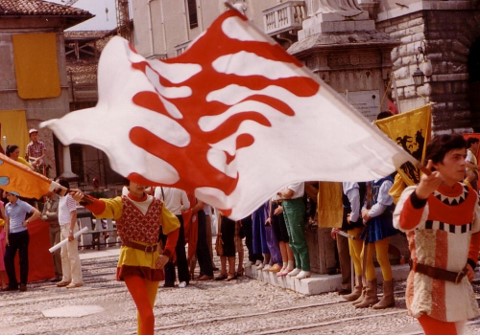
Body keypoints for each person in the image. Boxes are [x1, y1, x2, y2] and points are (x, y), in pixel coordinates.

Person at [393, 134, 480, 335]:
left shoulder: (470, 196)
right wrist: (420, 196)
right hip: (428, 286)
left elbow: (476, 231)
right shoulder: (415, 194)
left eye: (464, 156)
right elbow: (405, 224)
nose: (463, 163)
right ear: (436, 164)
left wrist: (471, 261)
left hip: (458, 287)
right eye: (455, 157)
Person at [72, 180, 180, 335]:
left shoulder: (157, 204)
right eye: (136, 180)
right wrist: (83, 199)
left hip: (153, 261)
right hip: (131, 260)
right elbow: (103, 206)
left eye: (143, 180)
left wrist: (167, 254)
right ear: (128, 184)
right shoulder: (121, 203)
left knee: (145, 312)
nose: (140, 184)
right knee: (147, 315)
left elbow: (174, 227)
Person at [4, 191, 41, 291]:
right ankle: (13, 283)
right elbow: (7, 221)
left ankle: (23, 283)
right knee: (7, 258)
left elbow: (37, 213)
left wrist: (27, 221)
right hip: (12, 234)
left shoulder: (22, 204)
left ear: (14, 195)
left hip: (22, 234)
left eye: (9, 195)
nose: (7, 197)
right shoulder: (7, 206)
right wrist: (6, 236)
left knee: (23, 259)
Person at [153, 186, 190, 288]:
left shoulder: (158, 188)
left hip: (166, 219)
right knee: (180, 249)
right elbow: (187, 205)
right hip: (177, 217)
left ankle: (170, 279)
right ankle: (184, 278)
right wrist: (178, 208)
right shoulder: (179, 187)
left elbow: (156, 206)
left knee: (167, 249)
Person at [335, 182, 365, 301]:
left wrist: (353, 218)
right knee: (355, 255)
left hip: (354, 223)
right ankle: (359, 287)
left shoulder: (350, 180)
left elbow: (355, 198)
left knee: (359, 256)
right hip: (350, 222)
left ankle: (364, 288)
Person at [277, 182, 311, 280]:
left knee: (297, 236)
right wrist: (282, 193)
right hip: (286, 204)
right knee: (291, 237)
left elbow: (288, 193)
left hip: (295, 204)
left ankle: (305, 267)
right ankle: (298, 265)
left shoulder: (296, 178)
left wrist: (280, 193)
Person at [54, 179, 83, 288]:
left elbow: (73, 213)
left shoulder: (69, 197)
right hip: (63, 227)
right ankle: (66, 277)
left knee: (72, 254)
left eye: (57, 185)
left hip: (69, 227)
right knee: (63, 254)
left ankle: (76, 279)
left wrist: (71, 230)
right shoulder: (61, 198)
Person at [42, 192, 62, 282]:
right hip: (51, 227)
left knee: (58, 251)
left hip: (58, 227)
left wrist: (48, 214)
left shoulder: (59, 200)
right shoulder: (47, 202)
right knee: (53, 251)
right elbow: (42, 216)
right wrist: (49, 215)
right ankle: (57, 273)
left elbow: (58, 215)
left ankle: (62, 273)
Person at [215, 212, 237, 281]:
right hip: (223, 216)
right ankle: (223, 271)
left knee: (230, 244)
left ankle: (231, 272)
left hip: (231, 216)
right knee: (222, 244)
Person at [0, 203, 8, 290]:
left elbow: (6, 220)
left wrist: (6, 235)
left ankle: (3, 282)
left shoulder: (0, 204)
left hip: (0, 234)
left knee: (1, 260)